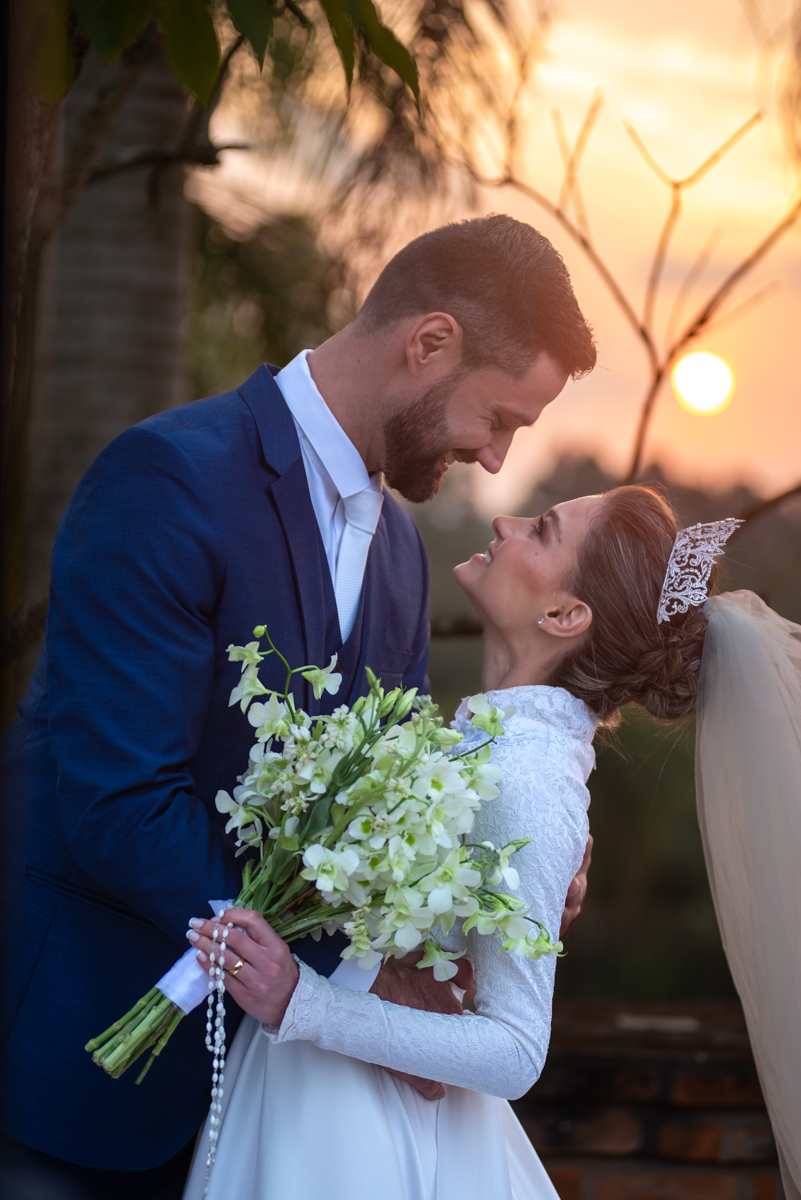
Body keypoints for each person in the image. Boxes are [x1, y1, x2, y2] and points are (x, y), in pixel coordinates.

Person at [0, 215, 596, 1198]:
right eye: (500, 420)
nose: (495, 461)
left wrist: (503, 870)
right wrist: (351, 982)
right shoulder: (169, 479)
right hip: (68, 1079)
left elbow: (378, 818)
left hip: (248, 1110)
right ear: (430, 344)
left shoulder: (403, 559)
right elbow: (120, 808)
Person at [182, 484, 801, 1200]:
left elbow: (513, 1049)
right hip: (316, 1087)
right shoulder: (486, 744)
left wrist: (304, 1001)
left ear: (564, 614)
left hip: (359, 1121)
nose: (504, 522)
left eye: (539, 530)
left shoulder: (526, 779)